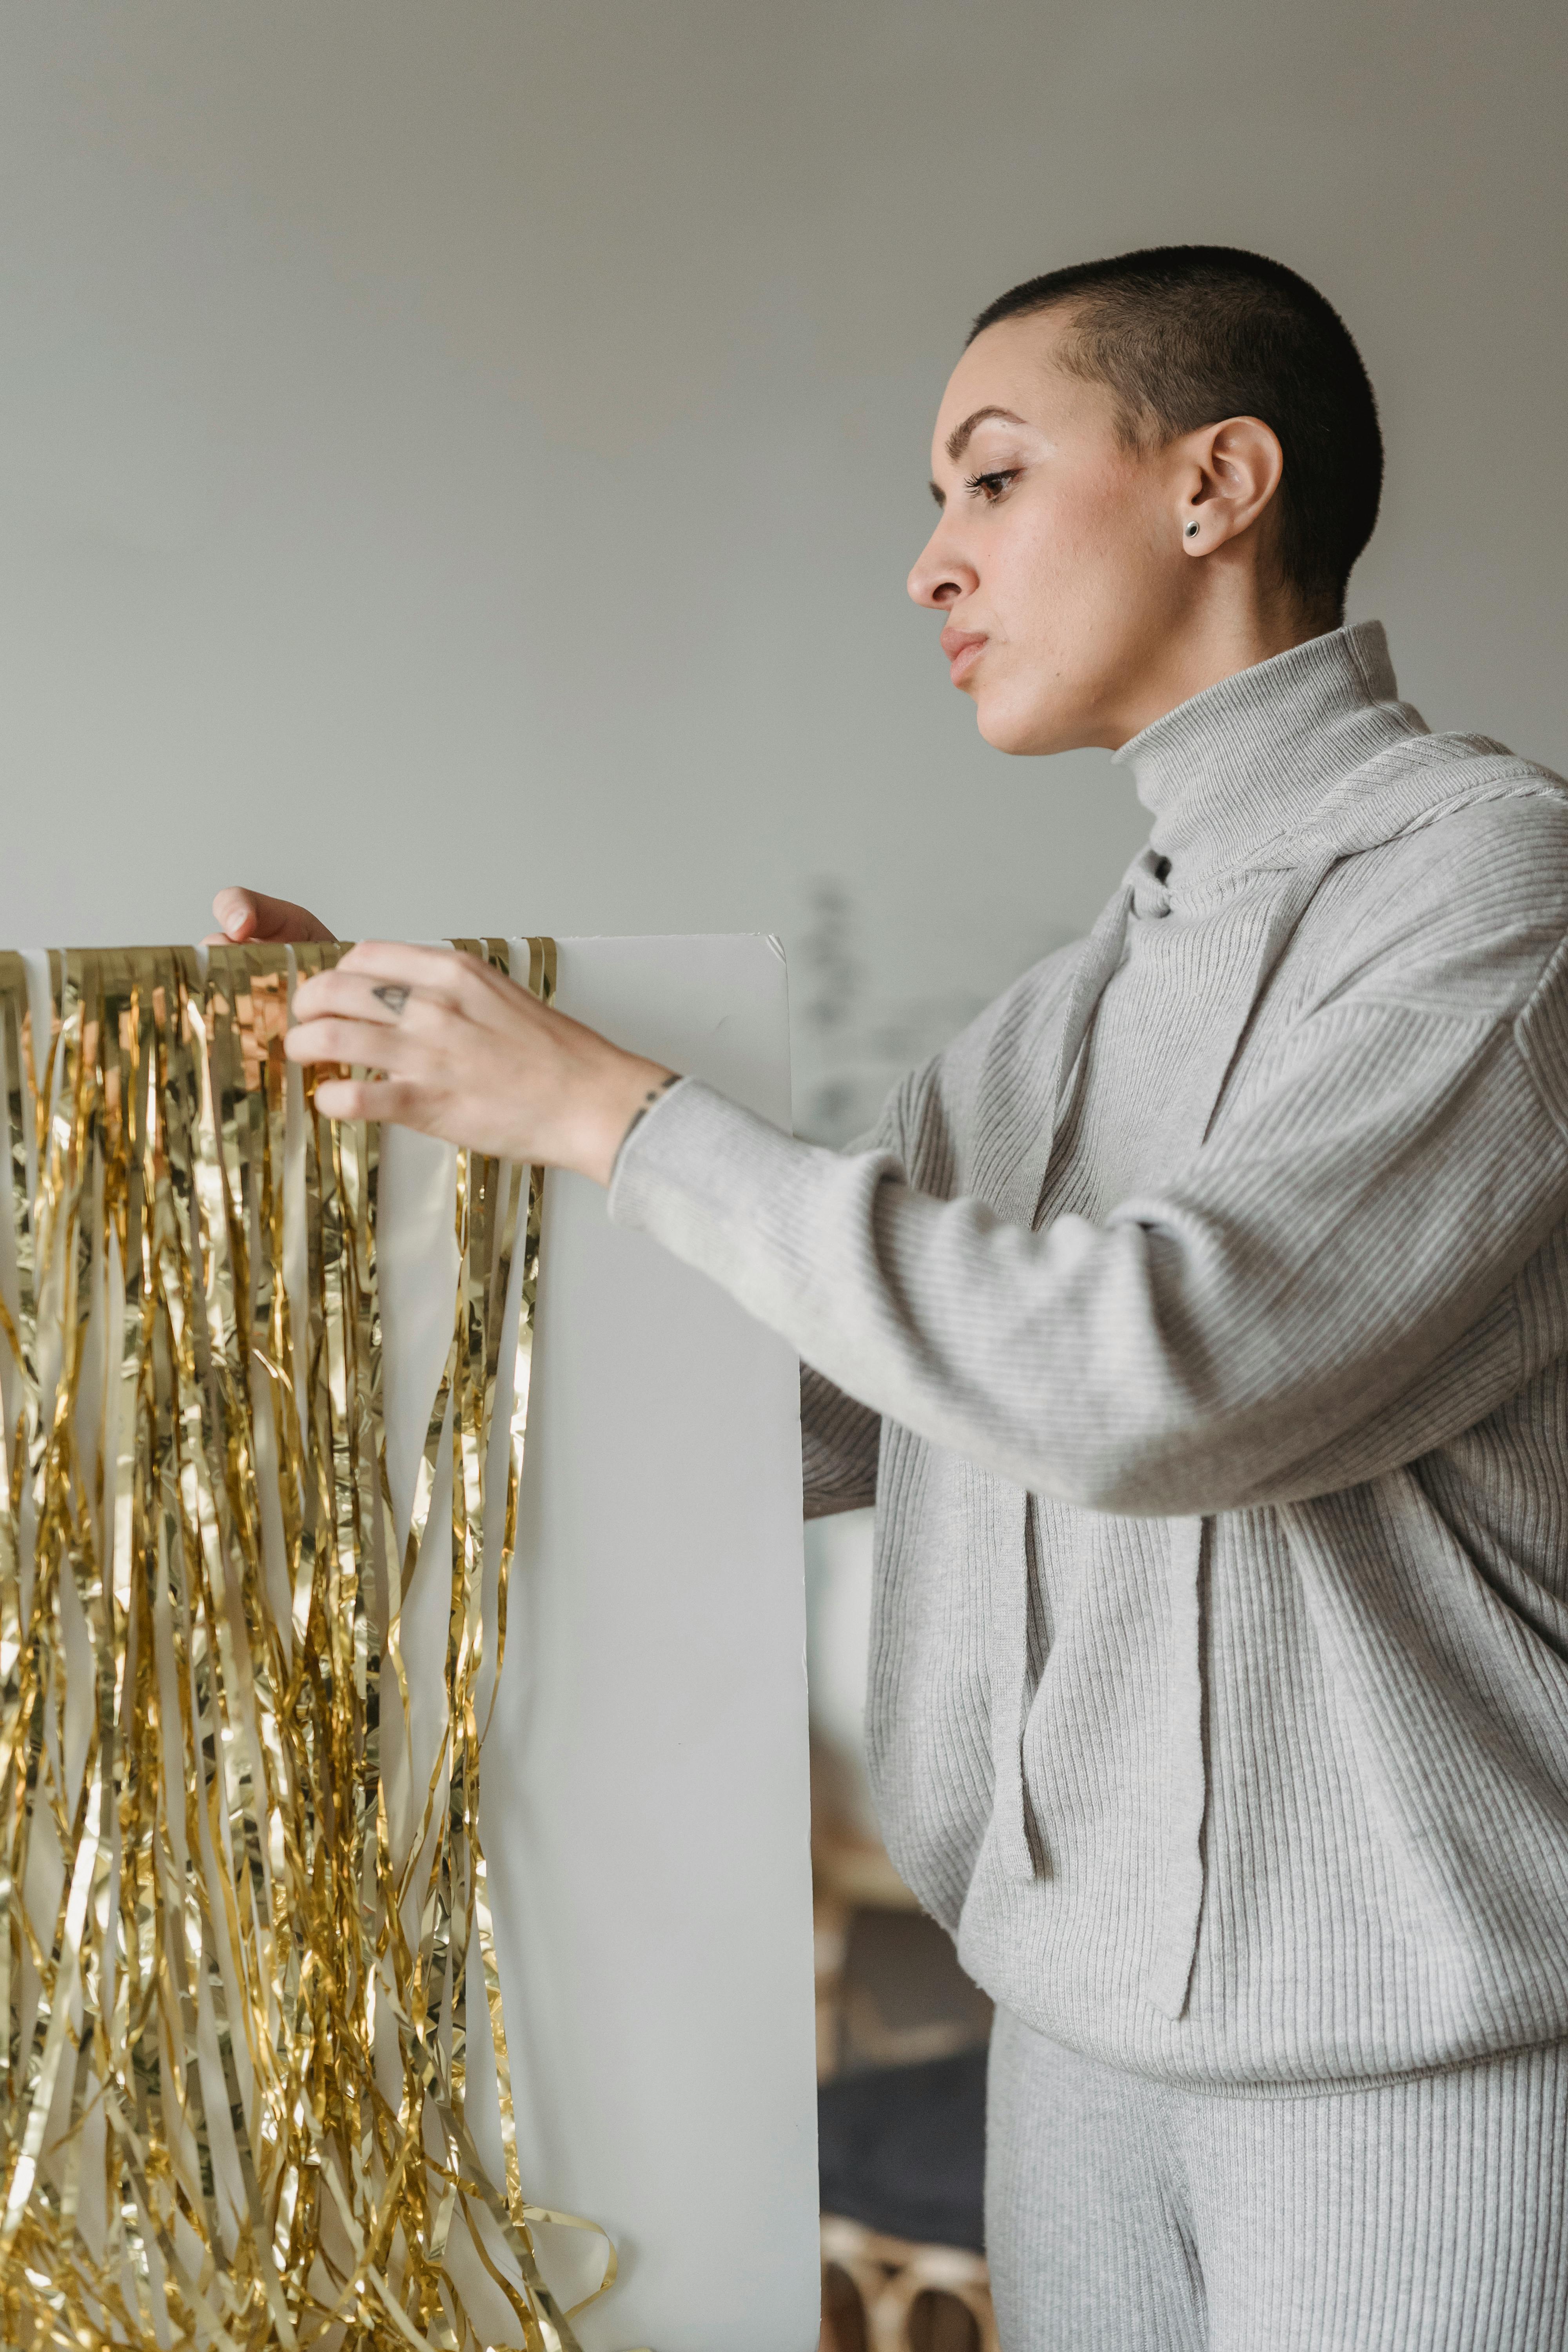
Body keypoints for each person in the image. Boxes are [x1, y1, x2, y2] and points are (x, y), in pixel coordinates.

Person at [216, 246, 1568, 2351]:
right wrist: (406, 1127)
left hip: (1426, 2064)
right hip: (1073, 2036)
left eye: (992, 481)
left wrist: (621, 1112)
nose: (933, 566)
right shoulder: (1051, 1022)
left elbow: (1162, 1377)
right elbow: (830, 1414)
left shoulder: (1501, 889)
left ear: (1217, 482)